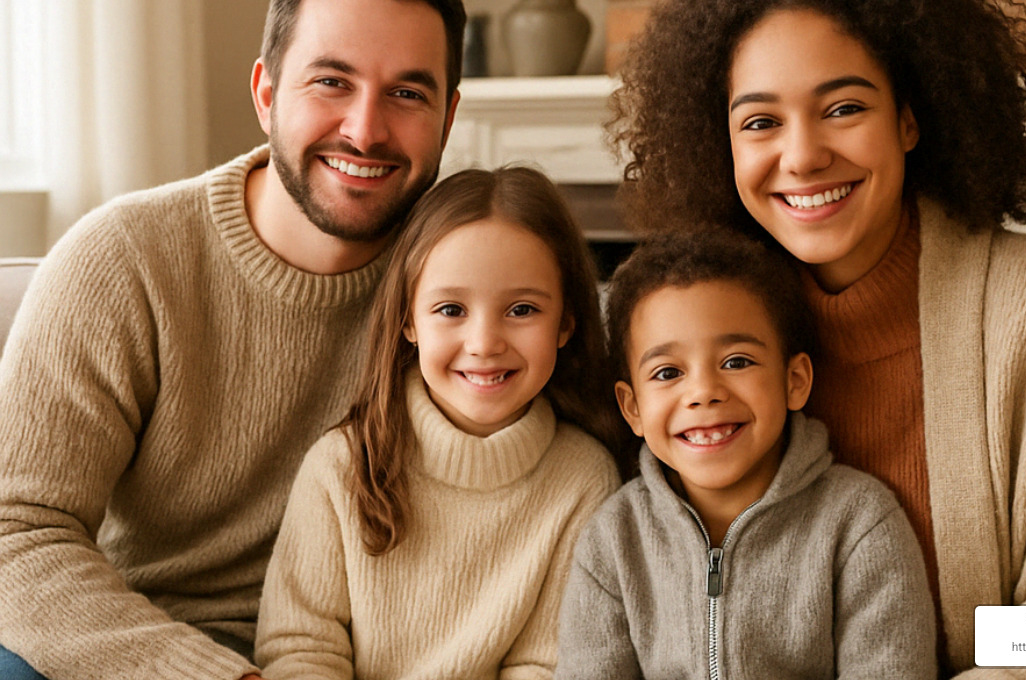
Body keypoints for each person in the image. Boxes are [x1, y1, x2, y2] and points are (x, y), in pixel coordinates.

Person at [610, 0, 1026, 677]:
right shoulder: (677, 348)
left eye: (844, 108)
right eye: (760, 122)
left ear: (910, 117)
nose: (804, 156)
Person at [0, 0, 465, 678]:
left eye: (406, 93)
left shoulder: (472, 287)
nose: (365, 131)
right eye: (331, 82)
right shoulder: (123, 261)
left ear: (447, 118)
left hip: (356, 654)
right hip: (137, 640)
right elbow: (16, 531)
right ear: (266, 94)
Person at [254, 166, 623, 679]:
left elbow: (544, 665)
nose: (484, 343)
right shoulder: (340, 466)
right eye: (451, 309)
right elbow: (300, 649)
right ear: (409, 320)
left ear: (565, 322)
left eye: (521, 309)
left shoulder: (584, 478)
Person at [555, 228, 936, 679]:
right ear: (632, 408)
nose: (703, 392)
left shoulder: (859, 523)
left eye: (736, 362)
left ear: (794, 380)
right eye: (667, 372)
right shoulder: (613, 541)